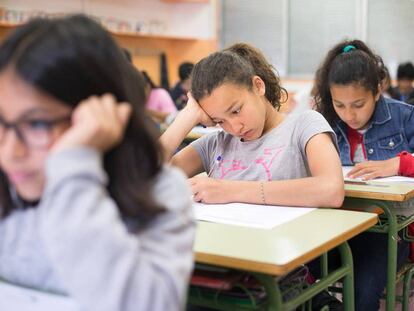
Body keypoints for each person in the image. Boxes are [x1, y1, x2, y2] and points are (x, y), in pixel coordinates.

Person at [0, 15, 194, 311]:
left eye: (37, 124)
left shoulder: (160, 192)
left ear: (101, 116)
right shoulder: (9, 183)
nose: (10, 152)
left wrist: (73, 169)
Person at [161, 42, 344, 208]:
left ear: (258, 86)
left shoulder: (304, 126)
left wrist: (230, 190)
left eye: (236, 110)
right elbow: (142, 178)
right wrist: (186, 117)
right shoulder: (215, 144)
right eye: (220, 121)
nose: (235, 128)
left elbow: (331, 190)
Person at [314, 39, 411, 311]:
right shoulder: (324, 122)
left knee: (362, 294)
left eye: (358, 104)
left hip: (391, 230)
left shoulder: (403, 117)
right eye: (339, 105)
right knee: (290, 272)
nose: (349, 115)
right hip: (337, 225)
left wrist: (398, 164)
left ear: (377, 90)